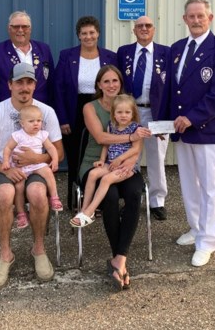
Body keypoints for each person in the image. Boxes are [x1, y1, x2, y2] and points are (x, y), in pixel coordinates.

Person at [161, 0, 215, 267]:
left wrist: (190, 119)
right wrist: (163, 123)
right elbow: (170, 89)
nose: (195, 20)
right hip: (182, 130)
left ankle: (208, 241)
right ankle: (196, 228)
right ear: (184, 19)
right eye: (191, 16)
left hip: (208, 130)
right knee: (189, 185)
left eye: (200, 16)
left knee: (209, 188)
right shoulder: (177, 49)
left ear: (210, 18)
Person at [0, 63, 63, 289]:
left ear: (35, 85)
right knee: (5, 193)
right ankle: (6, 254)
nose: (24, 87)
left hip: (35, 168)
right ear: (10, 85)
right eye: (19, 82)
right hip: (1, 168)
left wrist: (36, 159)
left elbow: (59, 153)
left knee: (37, 192)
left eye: (29, 82)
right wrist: (6, 168)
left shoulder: (46, 112)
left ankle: (39, 249)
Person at [77, 65, 153, 290]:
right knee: (109, 197)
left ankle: (119, 259)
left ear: (120, 83)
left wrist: (133, 153)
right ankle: (117, 255)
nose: (111, 85)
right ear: (99, 85)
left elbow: (138, 140)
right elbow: (100, 137)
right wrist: (131, 137)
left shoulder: (127, 107)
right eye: (106, 81)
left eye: (115, 81)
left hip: (126, 164)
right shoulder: (90, 107)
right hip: (96, 164)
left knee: (133, 193)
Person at [53, 16, 117, 204]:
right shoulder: (67, 56)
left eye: (92, 32)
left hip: (103, 106)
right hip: (74, 110)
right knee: (76, 156)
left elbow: (116, 85)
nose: (88, 37)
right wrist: (62, 119)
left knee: (101, 153)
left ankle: (100, 200)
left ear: (98, 33)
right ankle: (75, 200)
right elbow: (58, 88)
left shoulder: (110, 56)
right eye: (84, 33)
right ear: (78, 36)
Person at [116, 16, 171, 220]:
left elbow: (171, 87)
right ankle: (132, 199)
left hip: (156, 113)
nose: (144, 29)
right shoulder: (124, 52)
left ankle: (157, 201)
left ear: (154, 30)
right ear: (134, 30)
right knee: (131, 156)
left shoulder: (166, 52)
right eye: (140, 26)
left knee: (157, 158)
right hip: (131, 113)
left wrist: (167, 119)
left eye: (148, 26)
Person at [71, 94, 142, 228]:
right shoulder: (111, 126)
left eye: (127, 112)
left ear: (133, 114)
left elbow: (135, 150)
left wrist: (119, 159)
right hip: (110, 163)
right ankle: (84, 210)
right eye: (119, 112)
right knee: (92, 174)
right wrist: (102, 160)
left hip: (125, 167)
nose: (123, 115)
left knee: (106, 180)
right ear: (113, 114)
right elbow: (106, 145)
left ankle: (91, 210)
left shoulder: (136, 129)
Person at [0, 11, 55, 123]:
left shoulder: (44, 49)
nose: (20, 30)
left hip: (38, 116)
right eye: (16, 26)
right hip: (7, 115)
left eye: (24, 26)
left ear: (30, 29)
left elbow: (51, 84)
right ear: (9, 29)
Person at [1, 104, 64, 229]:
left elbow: (51, 148)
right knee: (18, 187)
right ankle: (21, 213)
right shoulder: (18, 135)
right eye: (31, 121)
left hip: (36, 164)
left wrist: (55, 160)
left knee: (47, 172)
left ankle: (54, 197)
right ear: (22, 123)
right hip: (21, 167)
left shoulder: (42, 134)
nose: (36, 124)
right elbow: (8, 148)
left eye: (39, 121)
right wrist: (5, 161)